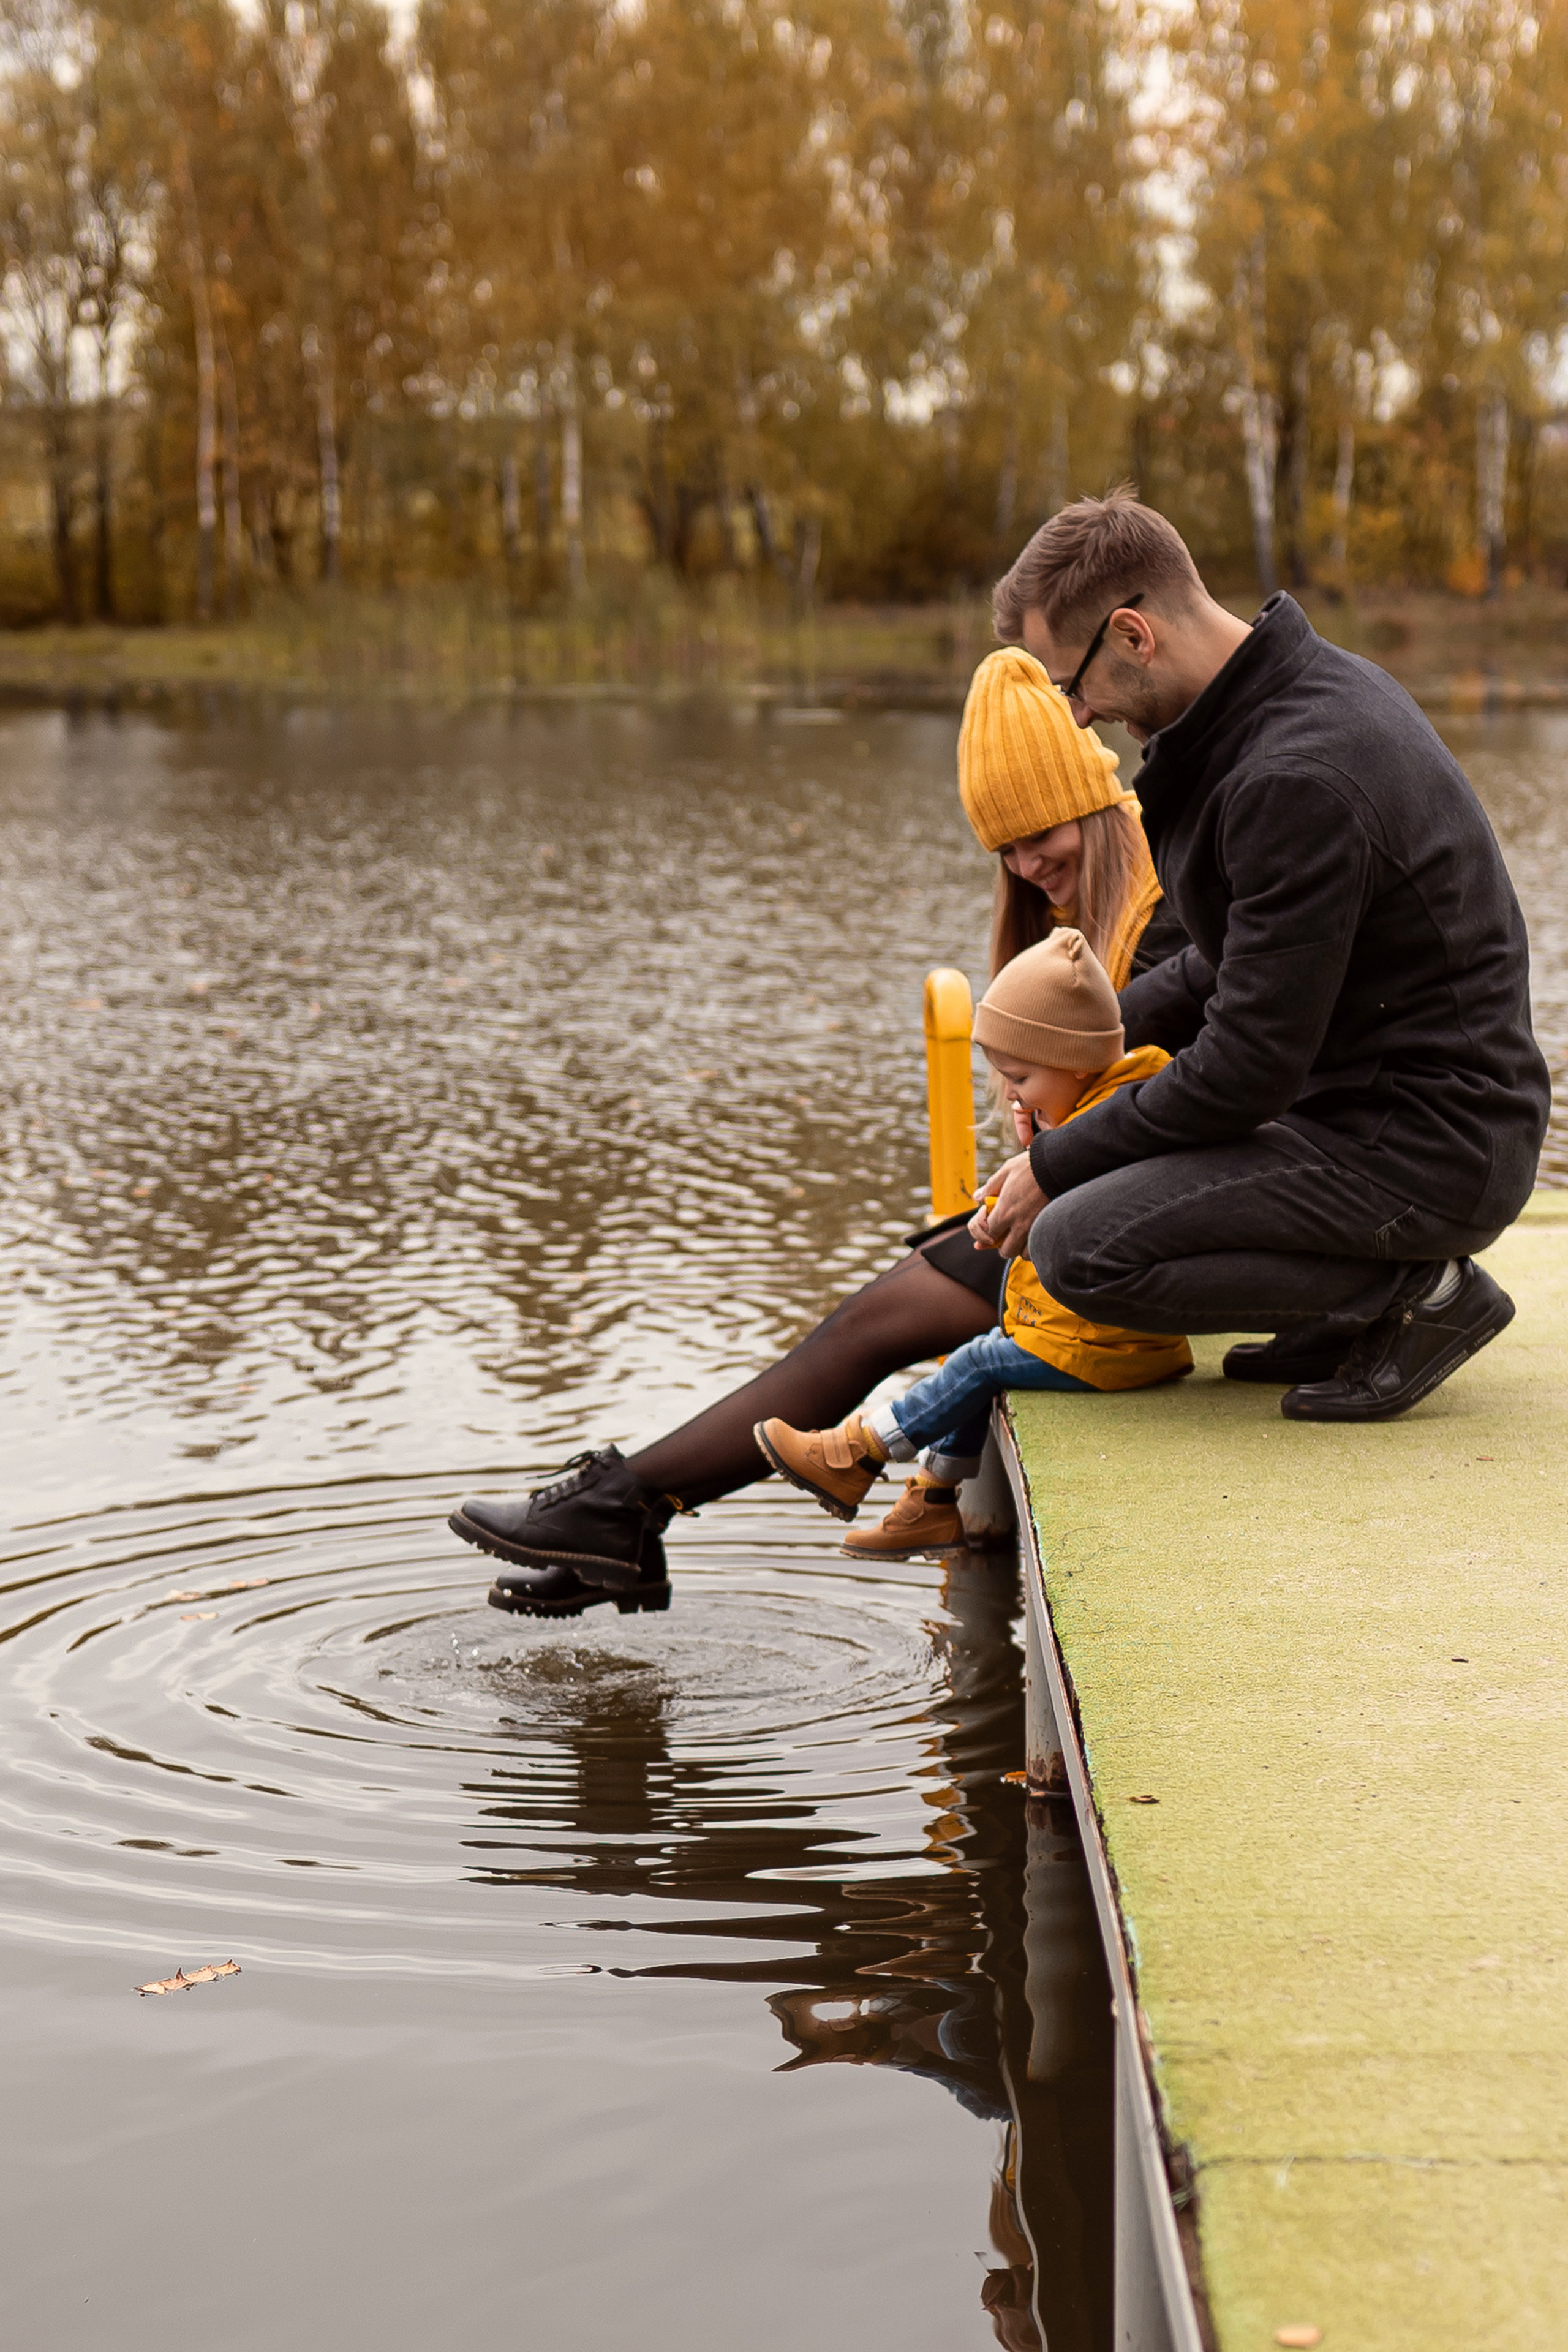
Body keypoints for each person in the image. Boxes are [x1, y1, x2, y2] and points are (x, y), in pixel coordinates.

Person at [449, 650, 1186, 1618]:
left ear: (1088, 800)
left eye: (1037, 835)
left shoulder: (1164, 914)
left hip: (1128, 1220)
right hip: (1086, 1194)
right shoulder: (1071, 910)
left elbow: (1167, 1110)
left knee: (872, 1327)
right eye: (1001, 849)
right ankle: (627, 1511)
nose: (1023, 866)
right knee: (870, 1316)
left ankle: (623, 1507)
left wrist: (1040, 1160)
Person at [973, 486, 1551, 1424]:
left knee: (1081, 1247)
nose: (1075, 716)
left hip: (1430, 1146)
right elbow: (1234, 961)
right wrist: (1093, 1031)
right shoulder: (1286, 700)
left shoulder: (1293, 774)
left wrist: (1059, 1162)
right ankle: (1353, 1301)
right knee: (1095, 1203)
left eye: (1070, 685)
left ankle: (1417, 1293)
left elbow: (1244, 1070)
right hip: (1367, 1114)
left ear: (1133, 634)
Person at [755, 930, 1191, 1561]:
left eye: (1020, 1077)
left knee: (979, 1365)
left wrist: (1018, 1187)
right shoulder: (1089, 1109)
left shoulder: (1111, 1124)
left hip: (1113, 1346)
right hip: (1089, 1334)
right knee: (977, 1358)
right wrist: (1035, 1136)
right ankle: (929, 1505)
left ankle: (858, 1450)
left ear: (1075, 1062)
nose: (1011, 1094)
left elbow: (1085, 1215)